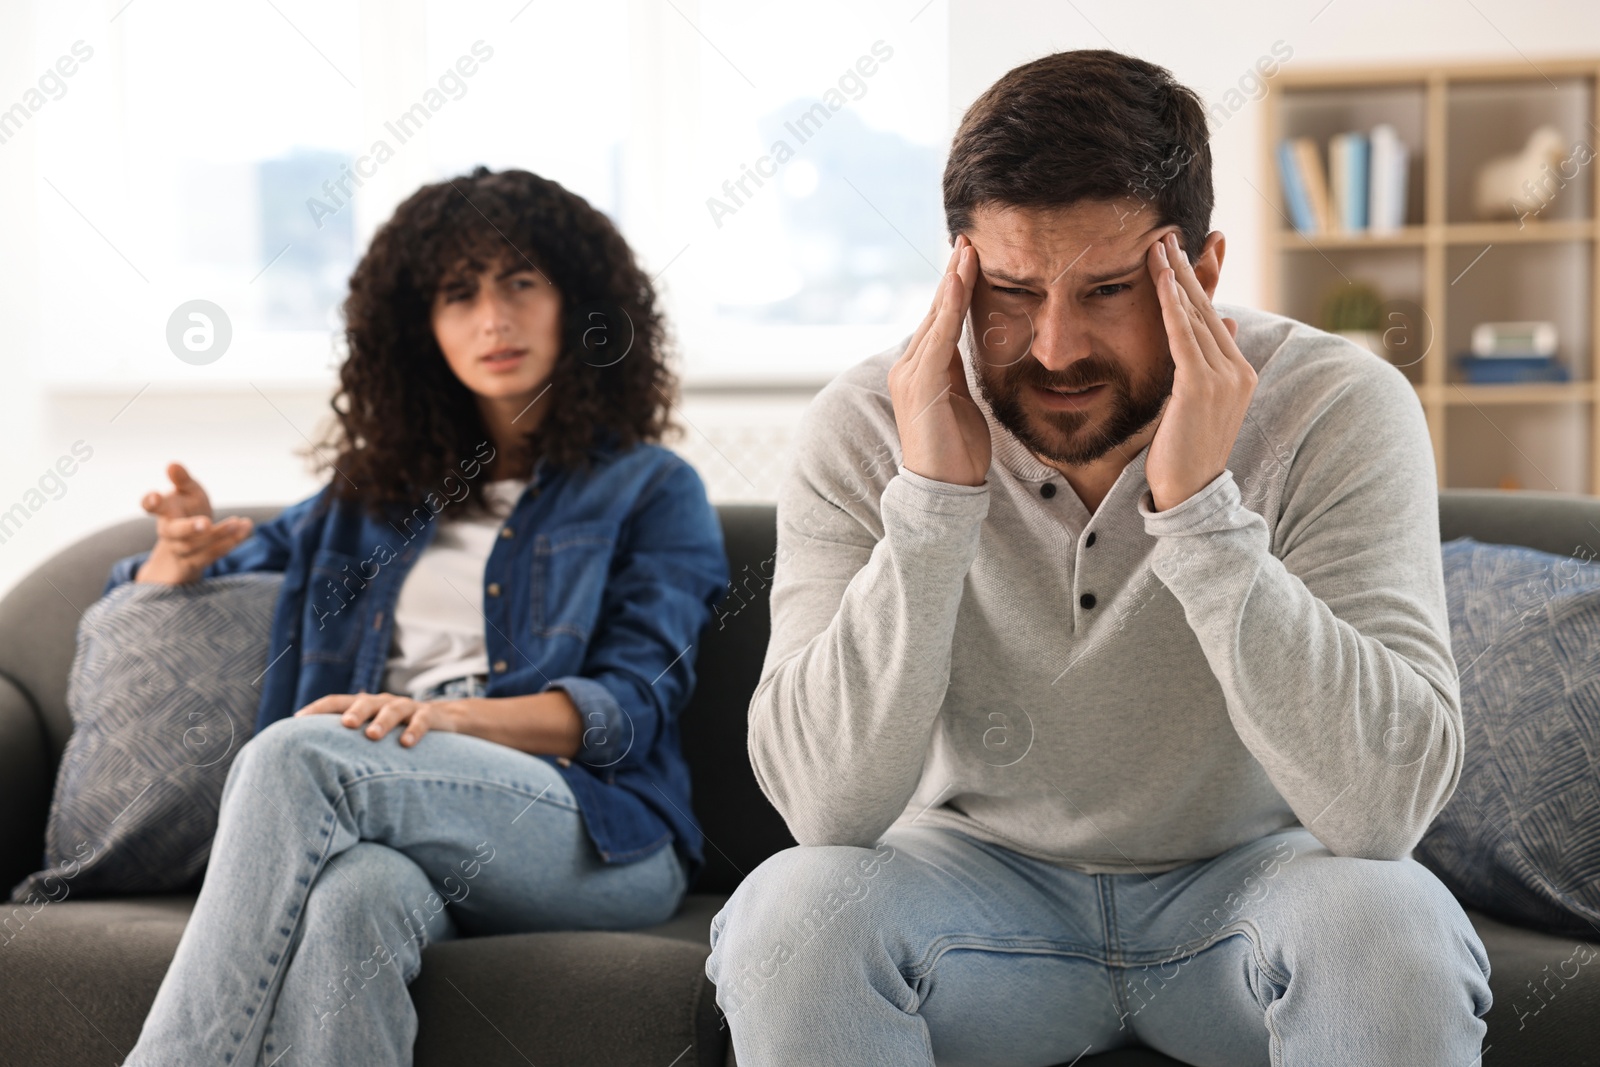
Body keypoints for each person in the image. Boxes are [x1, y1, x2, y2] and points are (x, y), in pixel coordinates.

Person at [705, 50, 1492, 1066]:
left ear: (1201, 275)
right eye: (1011, 291)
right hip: (972, 898)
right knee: (790, 916)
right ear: (955, 270)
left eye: (1109, 289)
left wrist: (1202, 513)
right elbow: (826, 808)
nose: (1055, 345)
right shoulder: (866, 424)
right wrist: (935, 503)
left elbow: (1382, 811)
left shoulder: (1335, 407)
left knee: (1390, 921)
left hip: (1254, 884)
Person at [112, 166, 729, 1066]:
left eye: (521, 281)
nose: (493, 317)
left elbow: (628, 709)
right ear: (418, 326)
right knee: (349, 903)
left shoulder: (650, 489)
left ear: (580, 302)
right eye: (458, 292)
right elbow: (200, 577)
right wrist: (173, 557)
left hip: (592, 834)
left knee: (296, 751)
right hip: (397, 809)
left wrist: (440, 716)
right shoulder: (363, 502)